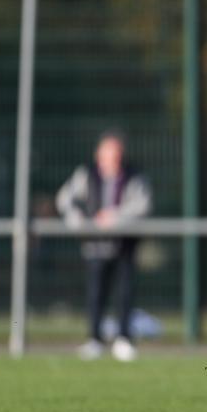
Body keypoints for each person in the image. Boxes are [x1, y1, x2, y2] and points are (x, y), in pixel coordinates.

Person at [56, 131, 152, 362]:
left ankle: (124, 339)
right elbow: (64, 199)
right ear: (99, 154)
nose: (113, 158)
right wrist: (76, 218)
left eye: (117, 154)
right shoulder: (86, 174)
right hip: (95, 244)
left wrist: (115, 218)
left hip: (124, 244)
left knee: (125, 292)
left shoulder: (133, 176)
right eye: (109, 153)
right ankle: (94, 339)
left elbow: (143, 205)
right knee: (96, 292)